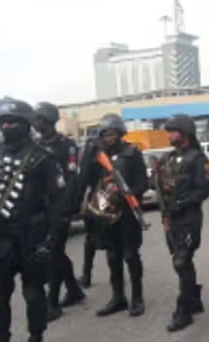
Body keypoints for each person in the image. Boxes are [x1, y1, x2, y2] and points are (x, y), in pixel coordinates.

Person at [0, 100, 68, 342]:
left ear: (26, 124)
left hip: (31, 237)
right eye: (3, 122)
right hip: (0, 237)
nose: (7, 126)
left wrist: (50, 240)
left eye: (12, 122)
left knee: (34, 295)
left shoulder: (43, 157)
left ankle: (36, 337)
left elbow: (59, 202)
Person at [75, 113, 148, 317]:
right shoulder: (98, 157)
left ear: (120, 133)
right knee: (112, 256)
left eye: (112, 134)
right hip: (106, 215)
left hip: (127, 214)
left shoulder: (132, 153)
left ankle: (137, 297)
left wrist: (126, 195)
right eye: (105, 134)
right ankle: (118, 297)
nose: (108, 138)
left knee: (130, 255)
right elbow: (86, 180)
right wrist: (88, 158)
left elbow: (143, 182)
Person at [32, 102, 86, 322]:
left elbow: (71, 177)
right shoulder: (34, 146)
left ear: (46, 120)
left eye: (37, 119)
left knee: (53, 253)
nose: (34, 123)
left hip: (58, 207)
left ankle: (52, 303)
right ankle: (74, 290)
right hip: (40, 209)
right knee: (56, 251)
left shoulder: (66, 145)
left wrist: (68, 208)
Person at [157, 114, 209, 332]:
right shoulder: (167, 158)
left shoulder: (197, 158)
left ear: (185, 133)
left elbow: (203, 189)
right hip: (172, 219)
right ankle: (195, 300)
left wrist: (184, 203)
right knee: (182, 263)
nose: (169, 135)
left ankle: (184, 311)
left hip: (189, 218)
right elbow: (161, 187)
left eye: (173, 131)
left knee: (182, 261)